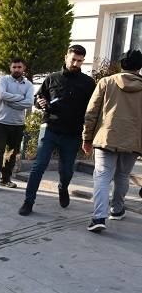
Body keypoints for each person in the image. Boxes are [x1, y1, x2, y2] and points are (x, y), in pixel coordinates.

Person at [18, 45, 96, 216]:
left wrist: (88, 135)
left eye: (79, 61)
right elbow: (38, 98)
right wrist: (40, 103)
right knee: (38, 166)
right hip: (50, 129)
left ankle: (63, 187)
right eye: (73, 59)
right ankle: (28, 202)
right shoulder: (52, 78)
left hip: (73, 133)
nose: (75, 63)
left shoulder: (88, 83)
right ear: (66, 57)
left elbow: (93, 108)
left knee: (67, 170)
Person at [82, 48, 142, 232]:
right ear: (139, 68)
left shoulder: (106, 82)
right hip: (133, 141)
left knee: (102, 175)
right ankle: (116, 210)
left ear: (121, 64)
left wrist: (87, 138)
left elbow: (91, 113)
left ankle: (99, 217)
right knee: (122, 176)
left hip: (105, 137)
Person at [0, 58, 34, 191]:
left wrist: (11, 101)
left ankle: (6, 179)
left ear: (24, 69)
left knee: (12, 154)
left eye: (19, 67)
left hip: (18, 124)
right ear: (10, 68)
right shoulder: (3, 80)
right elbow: (2, 95)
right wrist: (20, 98)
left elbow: (29, 103)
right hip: (1, 122)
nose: (17, 69)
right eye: (14, 67)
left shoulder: (28, 85)